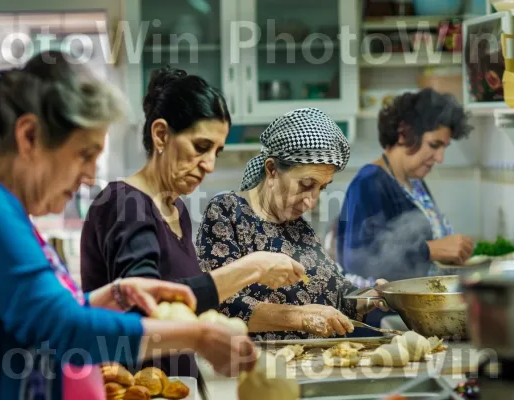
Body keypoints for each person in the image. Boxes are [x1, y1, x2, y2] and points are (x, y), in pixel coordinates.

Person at [0, 52, 257, 400]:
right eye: (84, 154)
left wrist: (113, 295)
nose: (91, 175)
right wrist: (196, 336)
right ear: (29, 136)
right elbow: (62, 329)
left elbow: (34, 313)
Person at [79, 66, 305, 393]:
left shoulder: (176, 209)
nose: (209, 165)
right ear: (160, 135)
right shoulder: (123, 203)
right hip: (137, 391)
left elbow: (185, 301)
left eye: (216, 151)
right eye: (200, 147)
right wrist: (253, 266)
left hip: (176, 388)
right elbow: (148, 309)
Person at [195, 108, 386, 341]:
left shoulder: (298, 227)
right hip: (254, 368)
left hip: (311, 366)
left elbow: (337, 297)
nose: (312, 200)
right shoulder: (226, 213)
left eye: (321, 188)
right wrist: (300, 317)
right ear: (272, 169)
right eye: (306, 184)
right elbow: (218, 305)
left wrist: (370, 298)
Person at [336, 88, 474, 288]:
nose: (440, 158)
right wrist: (430, 250)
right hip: (383, 311)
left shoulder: (415, 182)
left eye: (444, 148)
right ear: (404, 133)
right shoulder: (369, 182)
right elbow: (358, 259)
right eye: (434, 145)